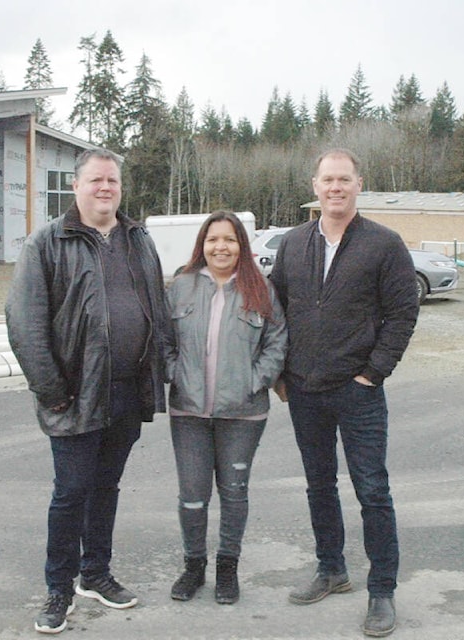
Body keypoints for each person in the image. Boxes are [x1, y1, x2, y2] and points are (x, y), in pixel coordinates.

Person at [5, 147, 171, 635]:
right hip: (74, 394)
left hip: (126, 390)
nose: (105, 188)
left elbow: (156, 309)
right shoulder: (47, 244)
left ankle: (95, 574)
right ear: (75, 187)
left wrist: (159, 370)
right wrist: (51, 390)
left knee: (106, 486)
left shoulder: (139, 239)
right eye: (96, 180)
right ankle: (59, 587)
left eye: (113, 181)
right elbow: (24, 321)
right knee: (71, 491)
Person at [269, 149, 419, 637]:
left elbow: (402, 313)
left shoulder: (384, 244)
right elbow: (275, 309)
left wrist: (373, 373)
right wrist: (280, 372)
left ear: (359, 185)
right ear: (314, 186)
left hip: (359, 392)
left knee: (372, 490)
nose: (336, 188)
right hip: (305, 391)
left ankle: (382, 591)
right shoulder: (292, 244)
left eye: (344, 180)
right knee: (319, 485)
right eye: (327, 180)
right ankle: (331, 569)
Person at [164, 211, 287, 605]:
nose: (221, 247)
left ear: (241, 246)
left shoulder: (261, 290)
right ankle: (194, 566)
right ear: (202, 244)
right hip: (189, 412)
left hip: (244, 413)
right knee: (192, 494)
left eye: (230, 240)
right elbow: (162, 341)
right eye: (214, 239)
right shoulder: (180, 288)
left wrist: (255, 380)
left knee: (234, 492)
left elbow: (277, 342)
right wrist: (176, 373)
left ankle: (227, 568)